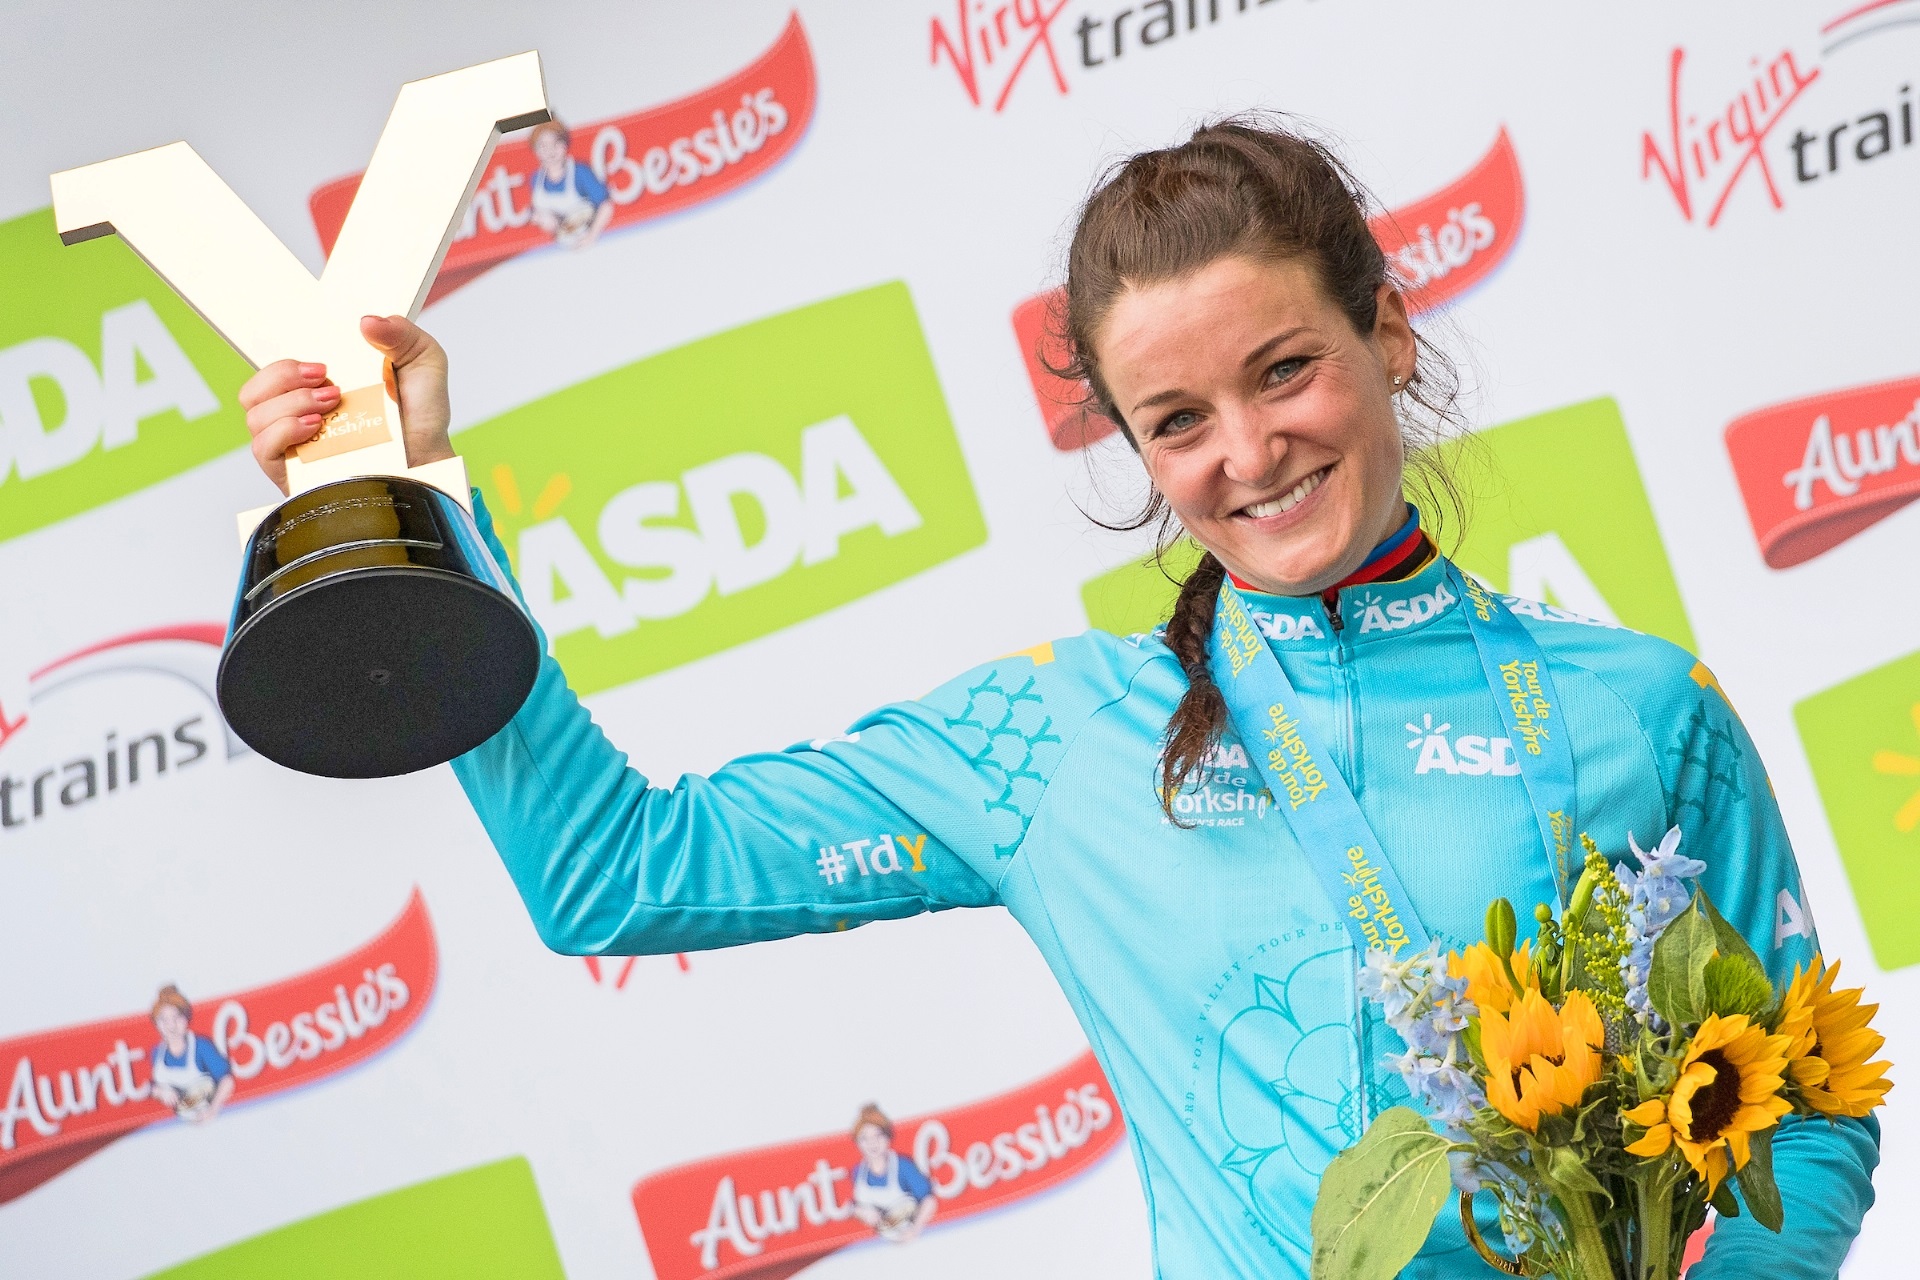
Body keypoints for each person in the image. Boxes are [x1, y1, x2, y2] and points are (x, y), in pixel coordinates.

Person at [238, 119, 1878, 1277]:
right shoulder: (1055, 741)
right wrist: (416, 498)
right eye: (1175, 420)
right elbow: (618, 876)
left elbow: (1807, 1128)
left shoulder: (1643, 712)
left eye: (1285, 369)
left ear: (1387, 334)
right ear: (1131, 448)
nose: (1244, 453)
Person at [847, 1104, 938, 1243]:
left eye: (878, 1135)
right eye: (864, 1138)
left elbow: (929, 1201)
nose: (872, 1143)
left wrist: (915, 1230)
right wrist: (863, 1213)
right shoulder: (858, 1172)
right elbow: (855, 1206)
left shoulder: (903, 1167)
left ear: (888, 1137)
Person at [147, 985, 234, 1124]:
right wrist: (162, 1092)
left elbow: (227, 1080)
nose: (171, 1025)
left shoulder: (201, 1047)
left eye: (176, 1017)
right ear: (157, 1024)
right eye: (164, 1020)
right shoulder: (157, 1053)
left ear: (186, 1019)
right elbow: (153, 1087)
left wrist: (213, 1110)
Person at [526, 120, 613, 249]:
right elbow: (537, 214)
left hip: (588, 244)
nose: (550, 151)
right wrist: (542, 219)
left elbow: (606, 205)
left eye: (556, 144)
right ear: (536, 150)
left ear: (565, 145)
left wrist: (592, 235)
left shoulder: (580, 172)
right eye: (543, 146)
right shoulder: (536, 179)